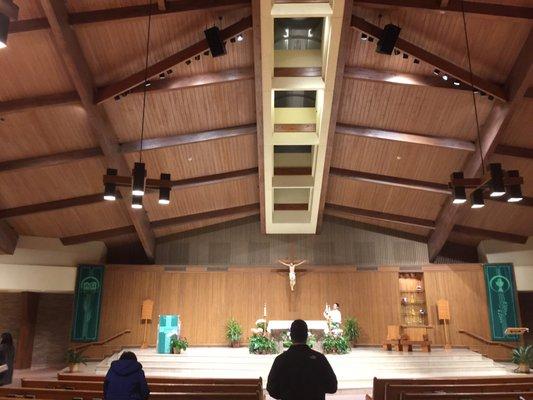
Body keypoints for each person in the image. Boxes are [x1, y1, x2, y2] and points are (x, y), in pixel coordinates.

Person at [267, 320, 337, 400]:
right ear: (307, 335)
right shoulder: (319, 358)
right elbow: (332, 387)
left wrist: (286, 394)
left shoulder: (281, 360)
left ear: (291, 336)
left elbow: (272, 389)